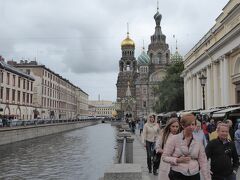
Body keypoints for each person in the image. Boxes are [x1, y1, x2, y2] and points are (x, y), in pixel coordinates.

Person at [162, 113, 211, 180]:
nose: (191, 127)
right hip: (178, 173)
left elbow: (203, 160)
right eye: (188, 125)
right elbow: (164, 157)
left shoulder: (198, 141)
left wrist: (206, 177)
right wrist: (177, 160)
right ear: (182, 125)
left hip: (194, 173)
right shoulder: (174, 139)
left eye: (193, 124)